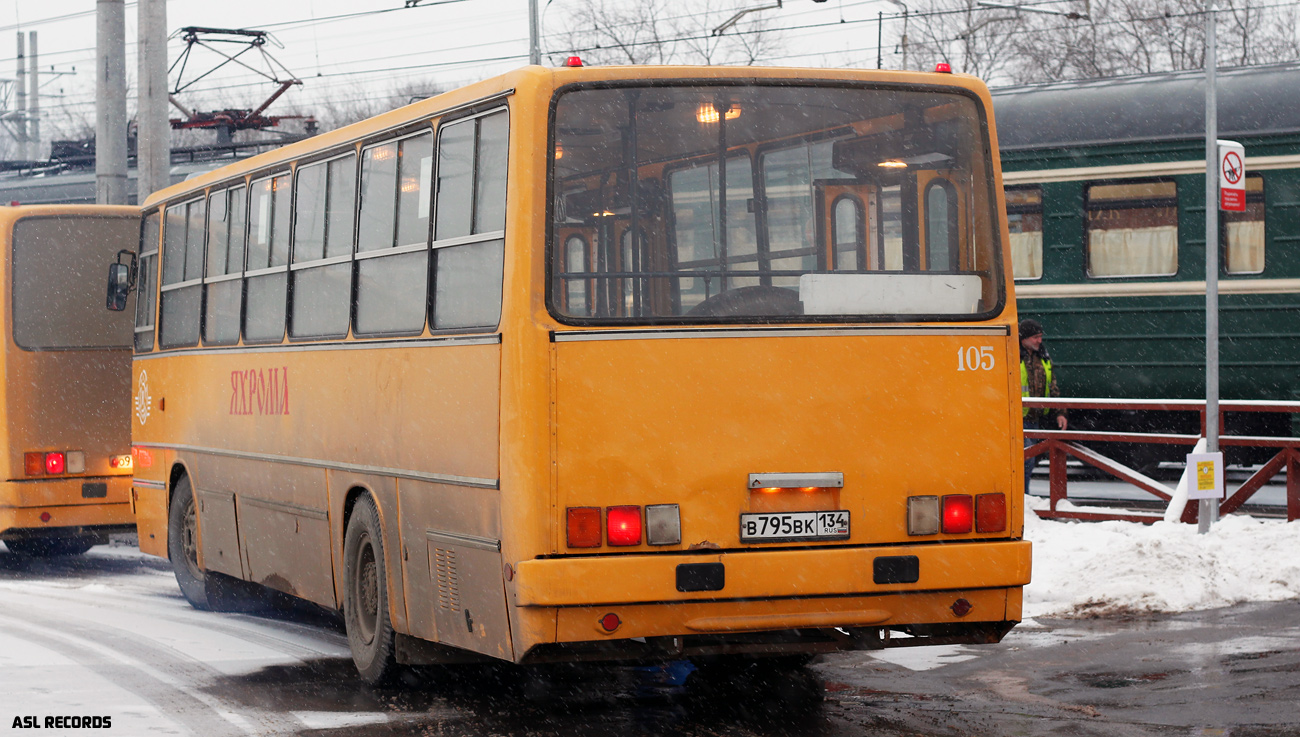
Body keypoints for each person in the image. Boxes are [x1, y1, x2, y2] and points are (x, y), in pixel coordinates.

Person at [1020, 318, 1066, 494]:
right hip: (1017, 418)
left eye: (1040, 337)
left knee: (1030, 460)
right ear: (1023, 338)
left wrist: (1061, 413)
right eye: (1035, 337)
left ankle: (1024, 497)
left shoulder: (1043, 357)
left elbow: (1052, 386)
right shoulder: (1013, 356)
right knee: (1026, 460)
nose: (1039, 340)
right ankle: (1023, 499)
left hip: (1034, 418)